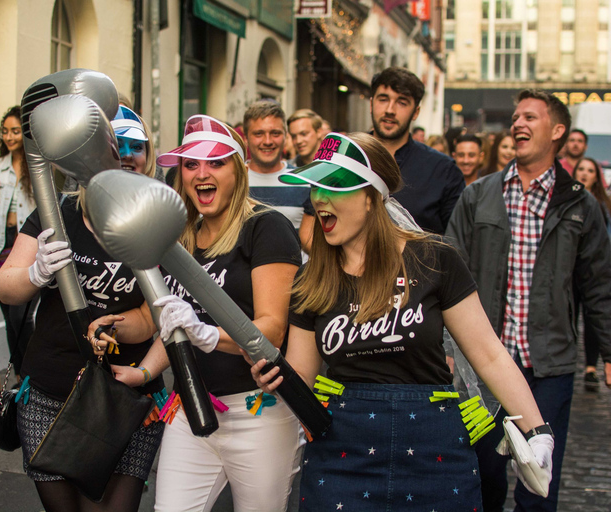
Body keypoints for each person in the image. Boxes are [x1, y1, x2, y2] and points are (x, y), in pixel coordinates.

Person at [248, 131, 551, 511]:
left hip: (435, 452)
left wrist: (537, 431)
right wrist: (276, 380)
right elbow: (302, 377)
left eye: (335, 186)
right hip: (343, 454)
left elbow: (488, 354)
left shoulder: (434, 259)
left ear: (373, 196)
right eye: (315, 188)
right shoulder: (312, 280)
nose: (319, 199)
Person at [121, 114, 305, 512]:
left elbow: (271, 331)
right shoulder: (178, 237)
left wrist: (205, 333)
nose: (202, 173)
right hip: (191, 408)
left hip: (259, 411)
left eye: (216, 162)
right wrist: (141, 372)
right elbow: (168, 325)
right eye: (191, 164)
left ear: (238, 170)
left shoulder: (265, 227)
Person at [446, 89, 611, 512]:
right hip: (483, 365)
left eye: (530, 118)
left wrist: (609, 350)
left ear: (558, 131)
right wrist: (448, 350)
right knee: (482, 476)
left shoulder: (579, 203)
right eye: (516, 117)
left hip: (549, 367)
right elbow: (446, 276)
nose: (518, 124)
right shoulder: (478, 195)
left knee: (539, 485)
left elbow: (598, 284)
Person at [0, 106, 165, 512]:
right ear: (90, 157)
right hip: (50, 393)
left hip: (125, 400)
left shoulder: (161, 220)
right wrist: (36, 274)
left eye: (135, 146)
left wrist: (111, 328)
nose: (124, 154)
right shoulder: (58, 213)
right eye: (113, 146)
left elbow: (151, 319)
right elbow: (6, 287)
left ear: (149, 154)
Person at [369, 67, 465, 233]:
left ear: (416, 112)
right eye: (383, 99)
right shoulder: (344, 156)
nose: (390, 110)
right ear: (371, 103)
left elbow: (456, 242)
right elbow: (311, 229)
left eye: (402, 102)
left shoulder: (443, 170)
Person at [0, 106, 37, 378]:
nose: (9, 137)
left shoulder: (39, 166)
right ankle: (21, 375)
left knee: (21, 316)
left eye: (16, 131)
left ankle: (31, 373)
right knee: (9, 318)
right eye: (5, 131)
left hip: (26, 244)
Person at [243, 100, 314, 252]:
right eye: (259, 134)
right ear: (246, 138)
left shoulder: (305, 181)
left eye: (275, 133)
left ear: (285, 136)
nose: (267, 141)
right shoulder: (233, 180)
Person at [574, 157, 611, 391]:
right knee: (571, 316)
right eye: (581, 169)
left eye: (590, 170)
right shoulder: (564, 201)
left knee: (592, 315)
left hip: (592, 267)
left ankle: (590, 366)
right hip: (569, 271)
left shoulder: (602, 204)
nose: (585, 174)